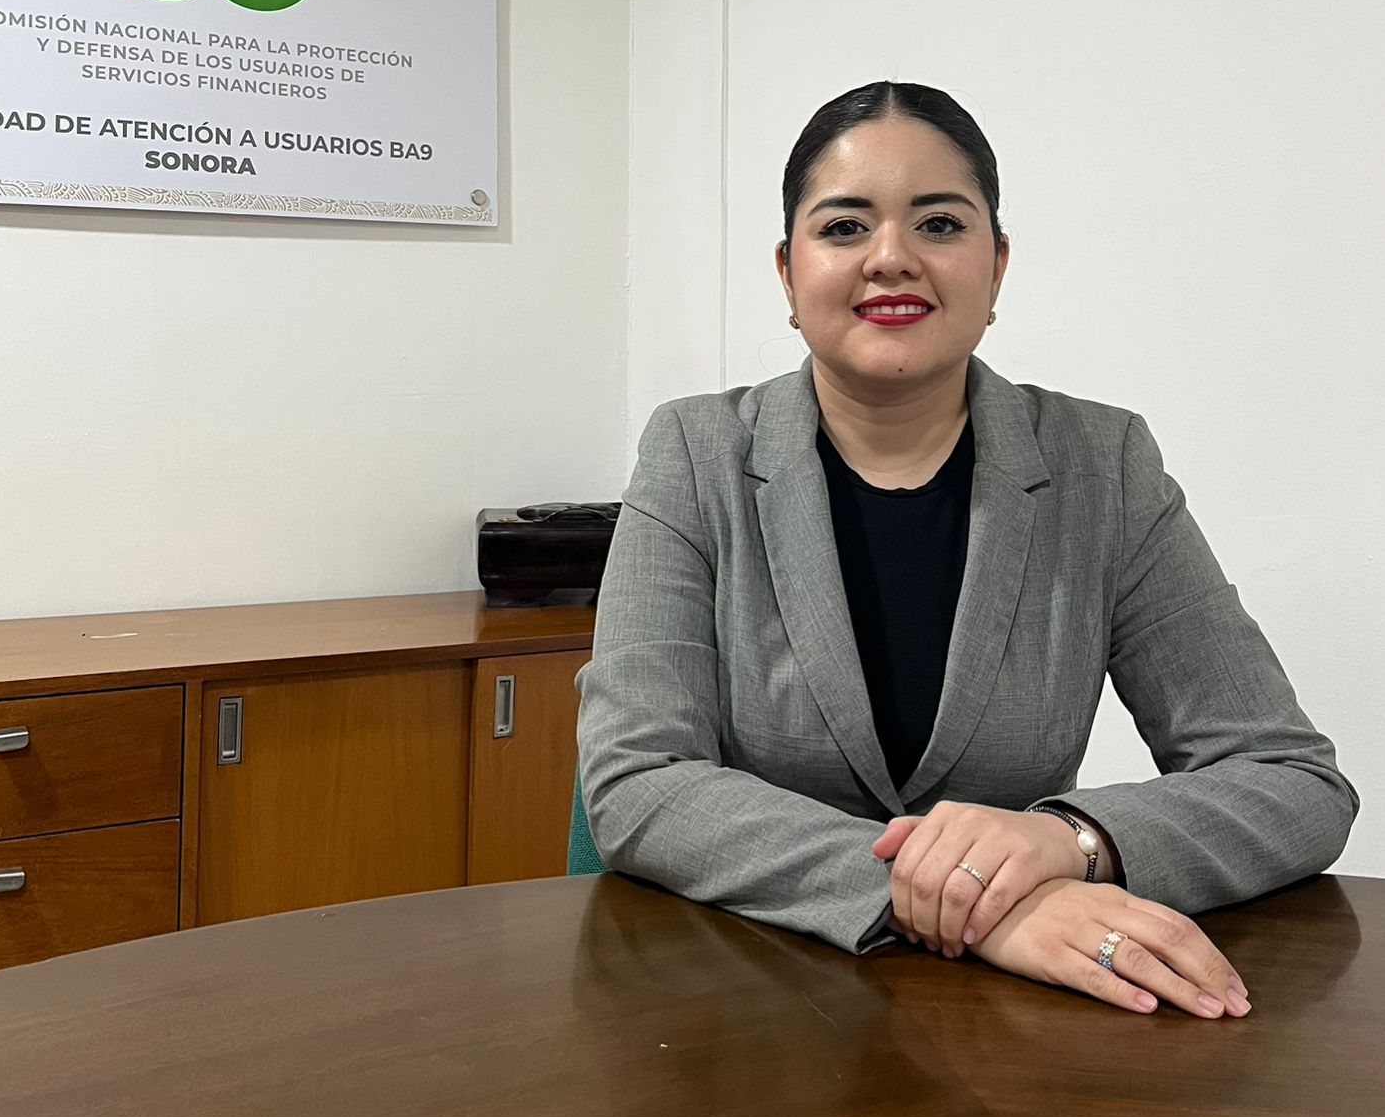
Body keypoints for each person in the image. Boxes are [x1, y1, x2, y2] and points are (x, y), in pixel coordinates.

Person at [576, 79, 1357, 1019]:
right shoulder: (695, 455)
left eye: (940, 224)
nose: (892, 258)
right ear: (788, 273)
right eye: (844, 227)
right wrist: (973, 904)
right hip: (749, 999)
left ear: (997, 267)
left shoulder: (1101, 465)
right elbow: (638, 782)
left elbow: (1292, 781)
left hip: (1013, 1026)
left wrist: (1070, 841)